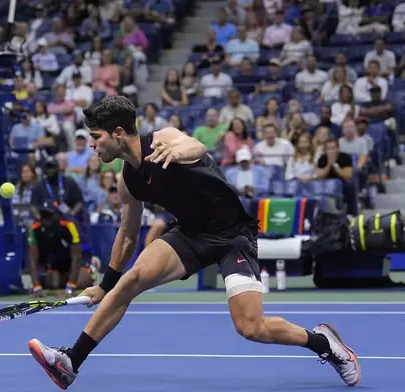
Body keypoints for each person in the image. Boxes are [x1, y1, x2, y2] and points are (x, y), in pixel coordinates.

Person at [27, 96, 360, 389]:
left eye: (95, 137)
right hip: (189, 234)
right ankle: (71, 362)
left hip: (232, 236)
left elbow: (196, 147)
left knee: (251, 327)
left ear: (117, 133)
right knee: (130, 282)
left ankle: (323, 343)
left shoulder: (163, 140)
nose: (92, 145)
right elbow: (128, 234)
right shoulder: (126, 180)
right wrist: (104, 285)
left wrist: (176, 149)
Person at [28, 202, 99, 297]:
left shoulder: (69, 226)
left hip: (78, 259)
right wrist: (36, 287)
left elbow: (76, 258)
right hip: (57, 260)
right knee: (53, 283)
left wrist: (70, 287)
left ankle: (92, 266)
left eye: (49, 215)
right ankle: (66, 277)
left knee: (81, 282)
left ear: (56, 215)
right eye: (43, 215)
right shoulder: (34, 229)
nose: (45, 218)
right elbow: (32, 259)